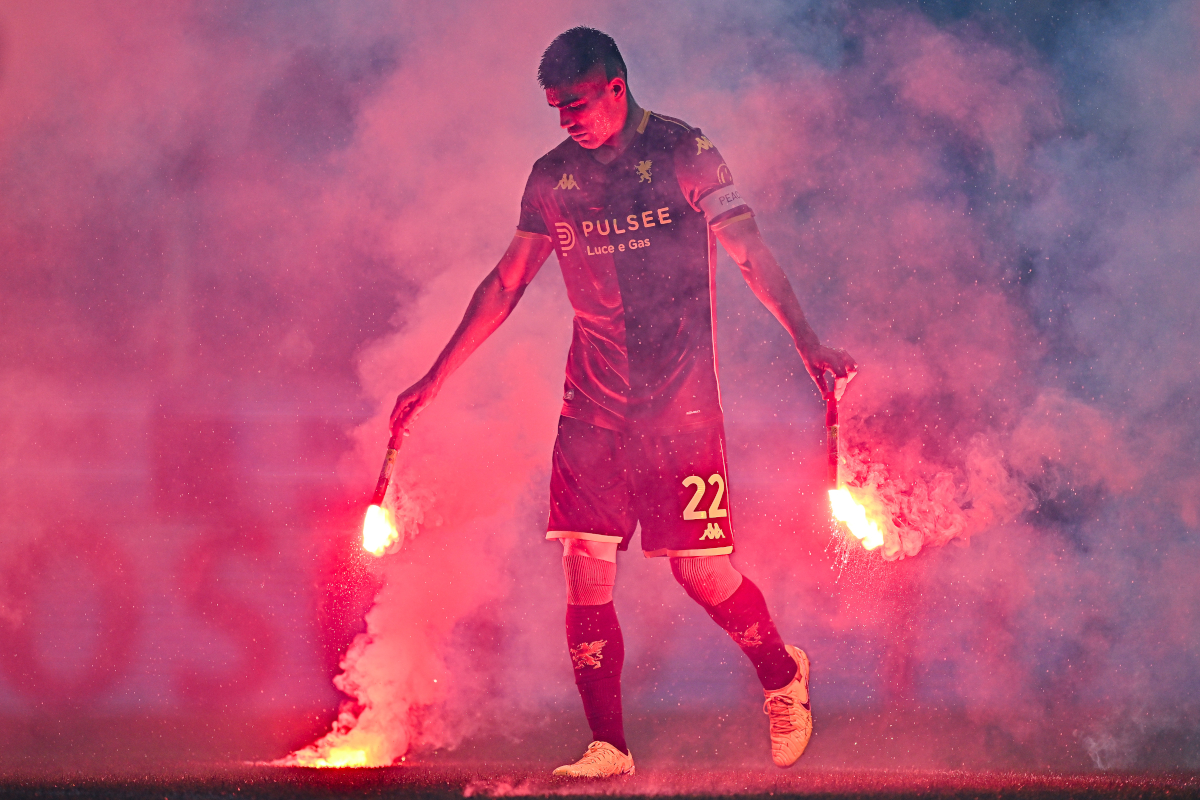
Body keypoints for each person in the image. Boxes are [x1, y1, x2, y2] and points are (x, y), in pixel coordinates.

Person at [389, 27, 856, 778]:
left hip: (681, 404)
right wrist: (434, 378)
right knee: (583, 558)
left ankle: (780, 671)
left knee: (699, 572)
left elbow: (748, 252)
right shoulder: (550, 177)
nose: (565, 120)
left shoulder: (684, 151)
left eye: (575, 104)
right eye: (554, 109)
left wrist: (808, 343)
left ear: (616, 86)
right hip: (592, 403)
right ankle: (609, 747)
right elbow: (507, 283)